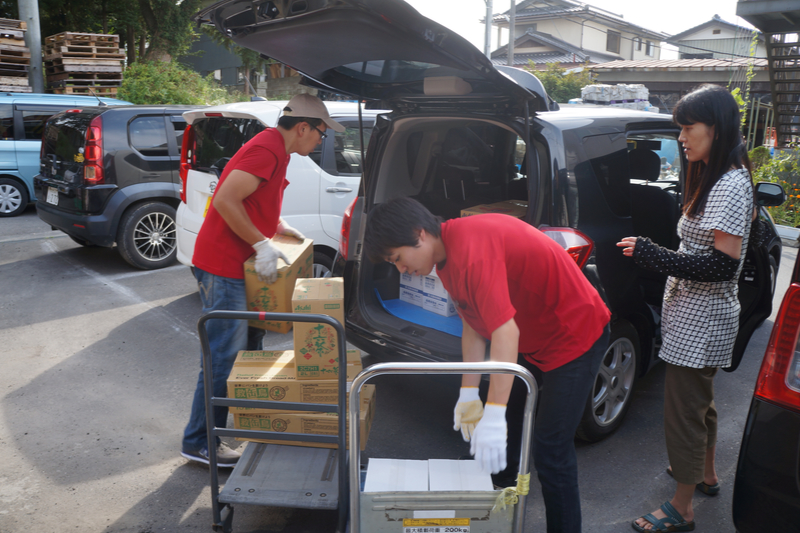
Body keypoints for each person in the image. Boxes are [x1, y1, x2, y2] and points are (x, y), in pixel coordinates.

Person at [364, 198, 611, 533]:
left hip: (574, 332)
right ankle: (493, 505)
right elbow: (474, 325)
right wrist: (468, 392)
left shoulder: (473, 251)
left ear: (418, 234)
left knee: (551, 451)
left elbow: (503, 331)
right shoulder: (446, 256)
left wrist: (492, 410)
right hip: (533, 334)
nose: (401, 269)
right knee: (506, 423)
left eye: (397, 259)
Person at [618, 84, 755, 532]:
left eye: (688, 127)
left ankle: (682, 507)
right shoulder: (715, 177)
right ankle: (706, 474)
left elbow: (721, 265)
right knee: (699, 404)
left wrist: (651, 254)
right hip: (692, 316)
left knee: (683, 414)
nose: (681, 137)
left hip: (703, 320)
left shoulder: (731, 185)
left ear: (715, 129)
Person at [181, 94, 345, 467]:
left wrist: (276, 228)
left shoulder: (279, 151)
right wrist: (260, 244)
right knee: (223, 357)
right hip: (223, 267)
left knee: (248, 348)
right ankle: (200, 442)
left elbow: (254, 200)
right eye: (321, 132)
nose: (321, 140)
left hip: (237, 268)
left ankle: (243, 426)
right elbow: (225, 199)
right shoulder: (269, 149)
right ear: (302, 127)